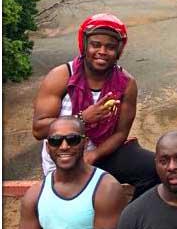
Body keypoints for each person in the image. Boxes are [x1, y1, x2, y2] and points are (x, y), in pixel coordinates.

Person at [32, 13, 159, 200]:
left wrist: (92, 156)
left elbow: (120, 134)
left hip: (101, 153)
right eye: (95, 44)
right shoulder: (61, 76)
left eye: (110, 47)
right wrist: (82, 119)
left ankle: (132, 219)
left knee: (155, 168)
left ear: (119, 51)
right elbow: (39, 129)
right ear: (84, 45)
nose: (102, 51)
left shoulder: (126, 83)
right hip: (64, 153)